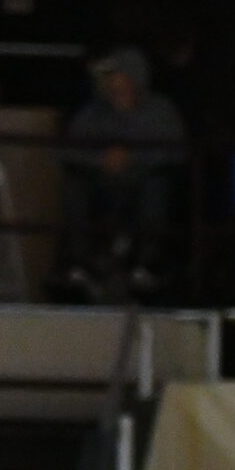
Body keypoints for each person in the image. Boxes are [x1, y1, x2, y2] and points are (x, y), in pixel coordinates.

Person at [57, 47, 187, 300]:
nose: (116, 85)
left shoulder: (161, 111)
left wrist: (134, 159)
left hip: (143, 185)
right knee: (74, 185)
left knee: (157, 186)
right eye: (112, 79)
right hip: (103, 188)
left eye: (123, 78)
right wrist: (101, 160)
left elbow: (177, 151)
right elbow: (68, 151)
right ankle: (79, 265)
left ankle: (146, 265)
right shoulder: (93, 112)